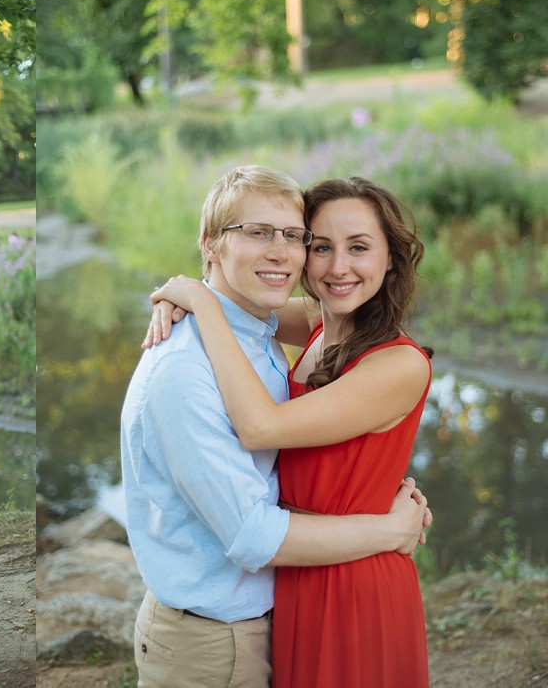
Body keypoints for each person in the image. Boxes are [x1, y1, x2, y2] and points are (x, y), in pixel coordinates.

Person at [121, 165, 430, 688]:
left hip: (354, 577)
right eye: (322, 246)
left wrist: (197, 298)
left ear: (390, 260)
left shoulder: (398, 363)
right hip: (295, 575)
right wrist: (191, 294)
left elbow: (261, 422)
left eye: (359, 247)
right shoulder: (316, 322)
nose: (337, 266)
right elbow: (242, 303)